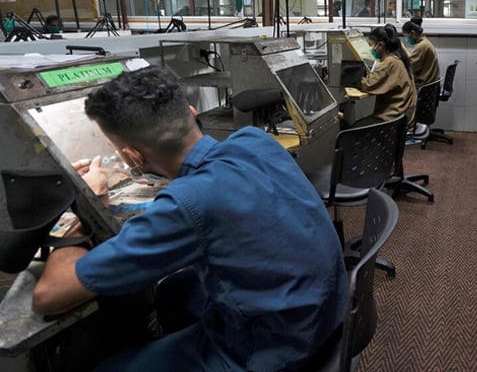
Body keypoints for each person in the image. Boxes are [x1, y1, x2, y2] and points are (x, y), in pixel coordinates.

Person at [31, 66, 349, 371]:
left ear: (133, 157)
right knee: (175, 291)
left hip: (273, 351)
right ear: (194, 114)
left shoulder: (187, 204)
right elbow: (218, 188)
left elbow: (49, 296)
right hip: (326, 318)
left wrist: (81, 211)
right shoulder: (254, 140)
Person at [350, 24, 417, 128]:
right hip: (402, 115)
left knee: (351, 129)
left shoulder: (390, 62)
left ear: (380, 45)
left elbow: (369, 84)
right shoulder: (399, 57)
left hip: (392, 119)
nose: (370, 49)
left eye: (371, 45)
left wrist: (353, 79)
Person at [402, 16, 440, 87]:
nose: (406, 39)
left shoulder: (421, 46)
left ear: (413, 33)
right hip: (430, 86)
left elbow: (409, 67)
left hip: (423, 88)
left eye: (406, 36)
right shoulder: (425, 42)